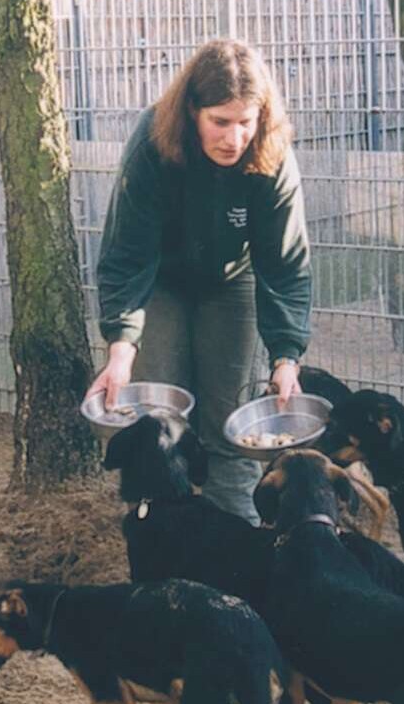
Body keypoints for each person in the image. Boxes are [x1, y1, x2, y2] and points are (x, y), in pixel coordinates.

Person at [86, 38, 311, 525]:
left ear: (262, 116)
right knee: (163, 424)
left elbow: (285, 265)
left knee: (227, 424)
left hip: (232, 282)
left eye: (245, 121)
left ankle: (239, 544)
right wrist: (121, 348)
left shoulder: (271, 153)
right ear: (192, 112)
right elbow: (127, 253)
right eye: (220, 122)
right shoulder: (154, 141)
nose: (234, 138)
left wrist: (286, 355)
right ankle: (160, 543)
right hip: (161, 281)